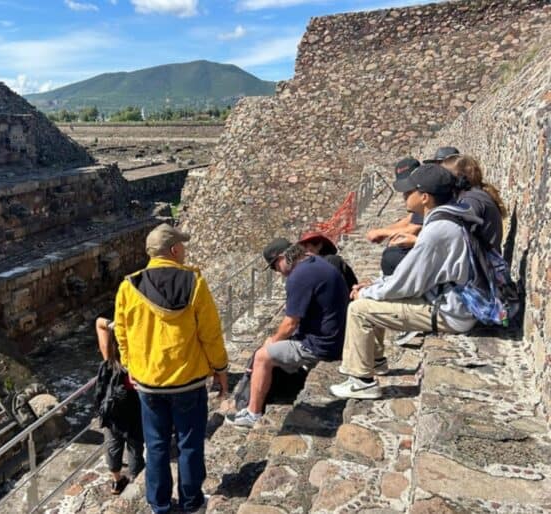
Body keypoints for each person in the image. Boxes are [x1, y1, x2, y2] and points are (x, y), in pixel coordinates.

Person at [330, 163, 479, 400]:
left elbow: (407, 284)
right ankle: (376, 360)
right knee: (375, 294)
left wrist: (367, 293)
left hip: (450, 311)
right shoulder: (450, 217)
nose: (403, 196)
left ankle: (361, 381)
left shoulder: (437, 231)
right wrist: (374, 287)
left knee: (359, 309)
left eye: (409, 192)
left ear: (424, 197)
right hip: (454, 302)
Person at [114, 223, 228, 514]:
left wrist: (130, 366)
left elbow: (122, 333)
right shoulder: (194, 283)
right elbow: (210, 333)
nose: (184, 251)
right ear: (174, 250)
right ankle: (192, 503)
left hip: (149, 383)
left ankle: (159, 505)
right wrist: (220, 368)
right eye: (182, 247)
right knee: (190, 444)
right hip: (188, 381)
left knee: (156, 446)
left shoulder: (129, 286)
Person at [228, 238, 348, 428]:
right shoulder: (317, 262)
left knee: (262, 356)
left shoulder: (299, 276)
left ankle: (253, 413)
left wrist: (272, 342)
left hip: (322, 344)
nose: (278, 273)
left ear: (283, 258)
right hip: (336, 334)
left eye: (275, 267)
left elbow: (290, 324)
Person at [94, 317, 144, 495]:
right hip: (134, 408)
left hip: (112, 408)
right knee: (135, 446)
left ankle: (117, 481)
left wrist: (114, 324)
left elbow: (99, 323)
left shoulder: (109, 356)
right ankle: (136, 481)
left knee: (113, 443)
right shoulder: (138, 358)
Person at [365, 157, 424, 275]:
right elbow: (411, 220)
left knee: (392, 256)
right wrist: (384, 231)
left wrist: (383, 233)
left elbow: (414, 228)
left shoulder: (426, 197)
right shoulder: (418, 204)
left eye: (409, 191)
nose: (405, 195)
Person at [442, 154, 507, 252]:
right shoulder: (476, 194)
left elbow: (460, 237)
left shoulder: (471, 200)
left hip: (482, 265)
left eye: (445, 176)